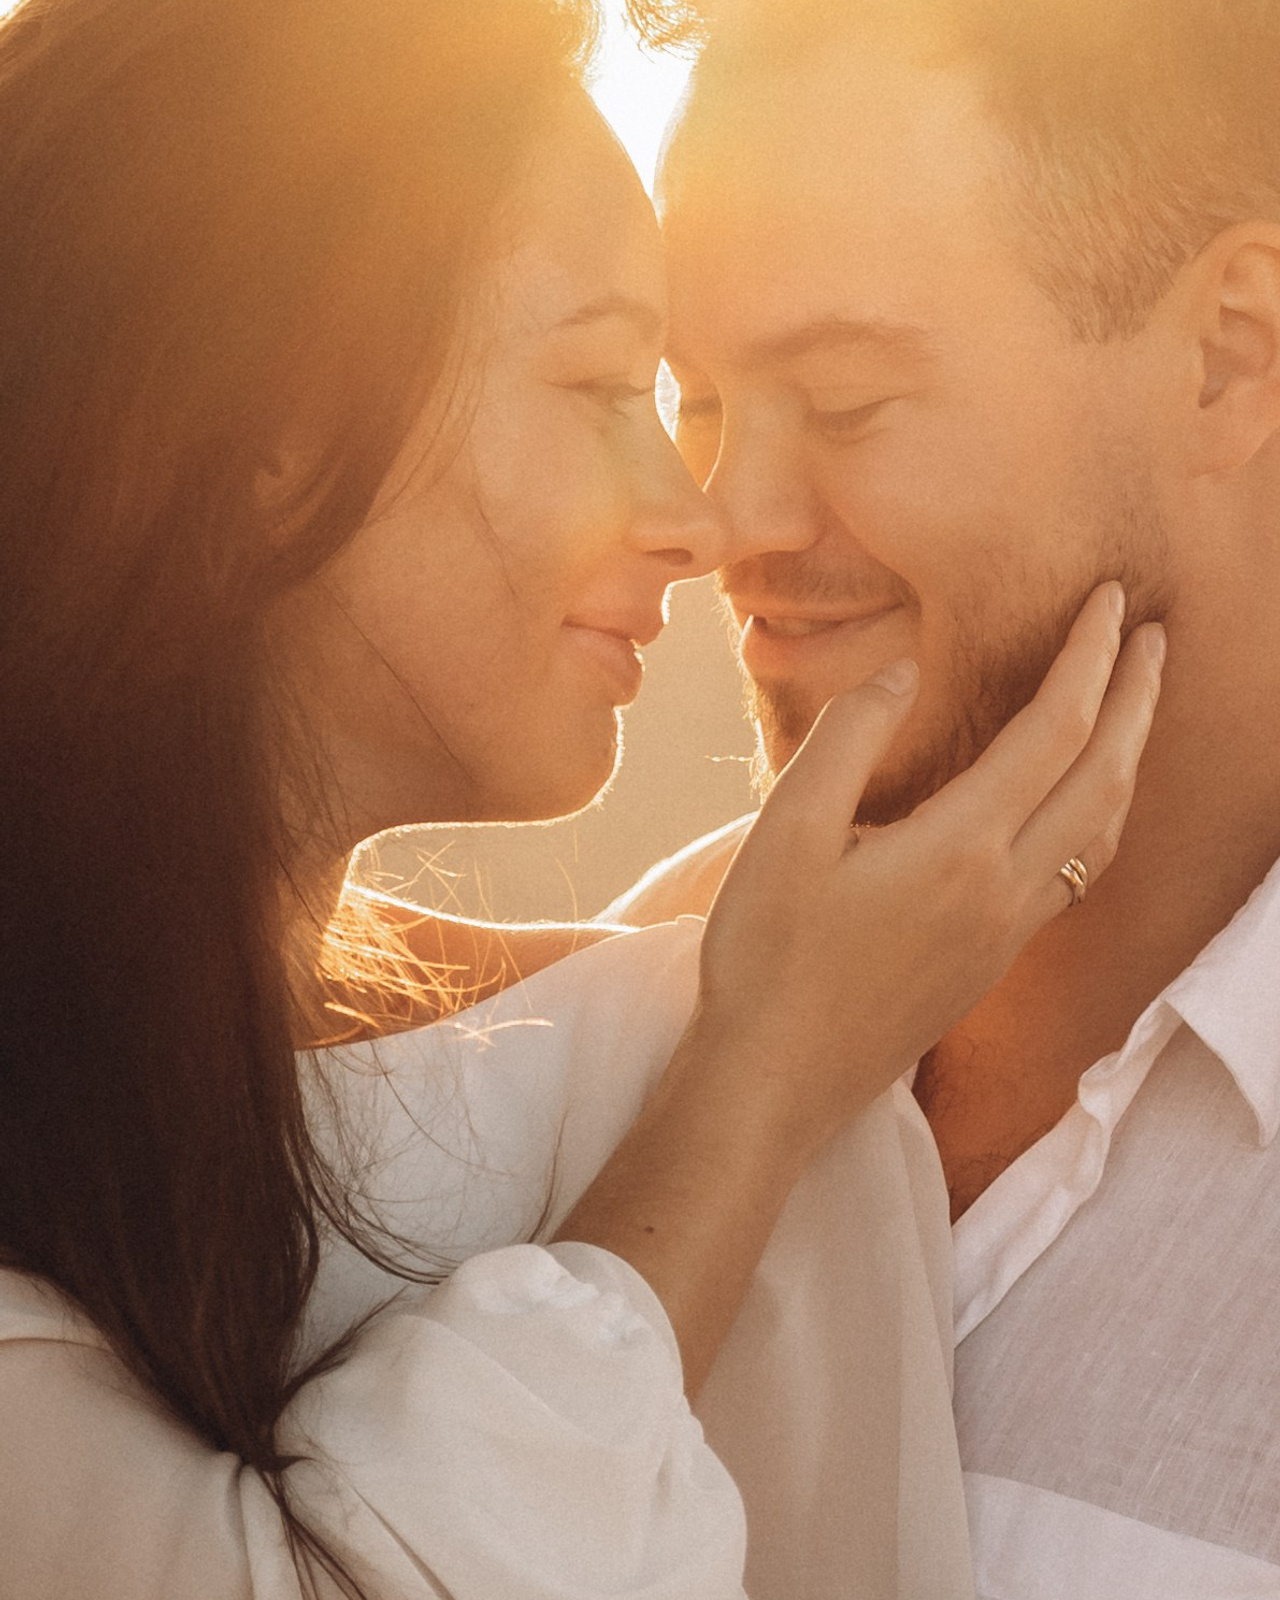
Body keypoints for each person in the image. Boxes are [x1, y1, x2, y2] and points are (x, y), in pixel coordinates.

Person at [0, 0, 1166, 1596]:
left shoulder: (635, 1020)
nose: (702, 522)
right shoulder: (710, 1057)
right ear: (279, 431)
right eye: (613, 387)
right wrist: (752, 1087)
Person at [599, 0, 1280, 1593]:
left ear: (1231, 355)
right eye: (694, 402)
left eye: (844, 402)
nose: (728, 518)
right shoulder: (597, 1042)